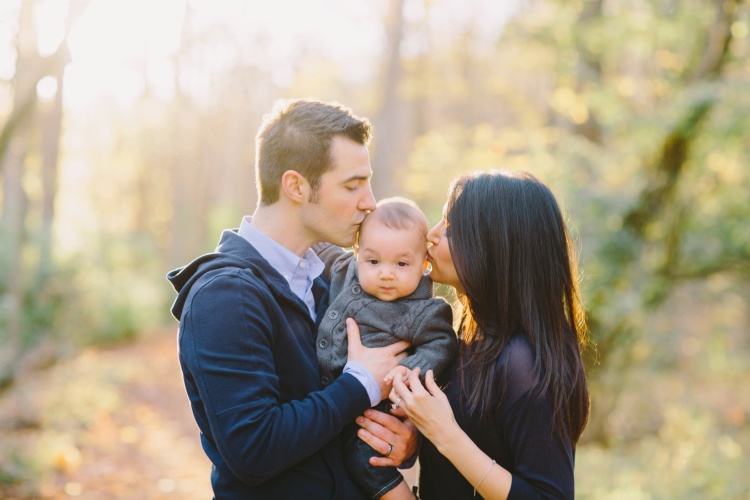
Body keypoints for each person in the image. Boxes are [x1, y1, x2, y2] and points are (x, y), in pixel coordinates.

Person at [167, 98, 419, 498]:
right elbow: (254, 449)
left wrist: (401, 442)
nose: (370, 201)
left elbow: (342, 424)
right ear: (296, 186)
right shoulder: (225, 297)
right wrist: (360, 384)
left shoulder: (334, 276)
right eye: (352, 186)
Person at [385, 170, 591, 499]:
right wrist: (416, 437)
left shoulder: (525, 363)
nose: (432, 236)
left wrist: (444, 434)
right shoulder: (464, 338)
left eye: (451, 228)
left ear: (495, 246)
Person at [314, 197, 456, 499]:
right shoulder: (344, 268)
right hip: (327, 402)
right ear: (357, 254)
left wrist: (406, 372)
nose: (386, 273)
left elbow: (442, 343)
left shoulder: (422, 311)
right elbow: (312, 244)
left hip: (373, 412)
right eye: (373, 261)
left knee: (367, 460)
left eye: (402, 264)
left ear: (424, 264)